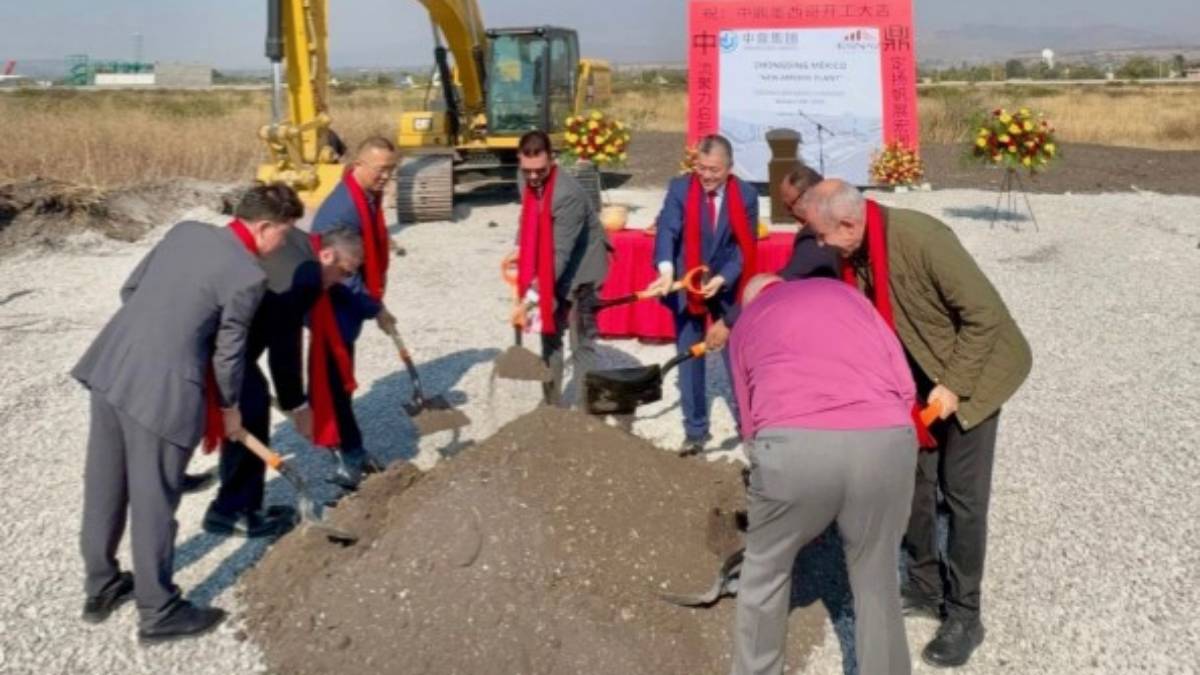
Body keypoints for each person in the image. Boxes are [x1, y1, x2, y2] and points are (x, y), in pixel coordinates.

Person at [801, 179, 1033, 668]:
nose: (819, 246)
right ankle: (926, 585)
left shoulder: (921, 238)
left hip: (976, 375)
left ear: (848, 223)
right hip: (918, 383)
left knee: (962, 497)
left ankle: (966, 614)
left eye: (822, 235)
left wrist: (953, 385)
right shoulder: (858, 250)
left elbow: (985, 317)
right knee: (917, 483)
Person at [73, 183, 301, 643]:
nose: (285, 244)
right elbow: (228, 356)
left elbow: (130, 288)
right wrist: (229, 409)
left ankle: (102, 585)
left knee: (105, 485)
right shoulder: (247, 277)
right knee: (155, 499)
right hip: (163, 390)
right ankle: (158, 612)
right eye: (285, 233)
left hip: (112, 366)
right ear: (263, 227)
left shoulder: (185, 232)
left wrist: (158, 332)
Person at [728, 274, 918, 675]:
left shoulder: (746, 324)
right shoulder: (849, 297)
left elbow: (749, 424)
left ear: (752, 302)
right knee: (876, 576)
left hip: (793, 451)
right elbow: (904, 385)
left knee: (765, 570)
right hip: (884, 442)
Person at [202, 226, 364, 537]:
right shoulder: (304, 279)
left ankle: (235, 502)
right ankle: (230, 511)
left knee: (253, 401)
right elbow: (285, 348)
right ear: (327, 254)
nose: (343, 281)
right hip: (223, 343)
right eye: (344, 272)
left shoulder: (301, 245)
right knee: (250, 407)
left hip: (229, 338)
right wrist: (298, 406)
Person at [644, 134, 758, 455]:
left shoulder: (746, 195)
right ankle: (695, 431)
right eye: (701, 168)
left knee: (736, 358)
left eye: (714, 170)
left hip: (725, 285)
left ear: (730, 168)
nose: (706, 176)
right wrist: (666, 269)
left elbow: (745, 246)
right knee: (689, 356)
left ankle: (749, 427)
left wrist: (724, 278)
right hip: (686, 283)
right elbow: (668, 228)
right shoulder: (680, 188)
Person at [311, 136, 399, 490]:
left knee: (340, 380)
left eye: (391, 170)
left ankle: (346, 447)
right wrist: (374, 306)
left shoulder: (367, 196)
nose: (385, 177)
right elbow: (342, 275)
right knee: (335, 380)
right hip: (333, 309)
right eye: (380, 170)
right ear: (359, 165)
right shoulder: (342, 210)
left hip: (348, 304)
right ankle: (348, 455)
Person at [511, 129, 609, 406]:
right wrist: (520, 248)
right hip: (551, 260)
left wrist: (530, 298)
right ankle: (551, 405)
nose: (532, 177)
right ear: (520, 161)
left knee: (582, 343)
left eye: (539, 170)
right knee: (549, 335)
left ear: (552, 160)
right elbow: (527, 217)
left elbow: (559, 254)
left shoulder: (569, 195)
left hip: (584, 270)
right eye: (526, 170)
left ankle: (583, 411)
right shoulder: (524, 178)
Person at [706, 161, 838, 350]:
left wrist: (728, 321)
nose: (788, 212)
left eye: (790, 206)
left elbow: (787, 279)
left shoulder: (817, 233)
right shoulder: (840, 212)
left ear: (808, 198)